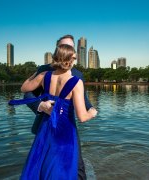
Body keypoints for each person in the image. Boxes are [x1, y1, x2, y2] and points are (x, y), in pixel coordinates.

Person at [18, 44, 97, 179]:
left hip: (45, 128)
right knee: (63, 170)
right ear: (71, 60)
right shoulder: (76, 82)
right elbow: (82, 117)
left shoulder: (44, 76)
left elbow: (24, 88)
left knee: (43, 165)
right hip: (65, 132)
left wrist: (36, 74)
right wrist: (93, 112)